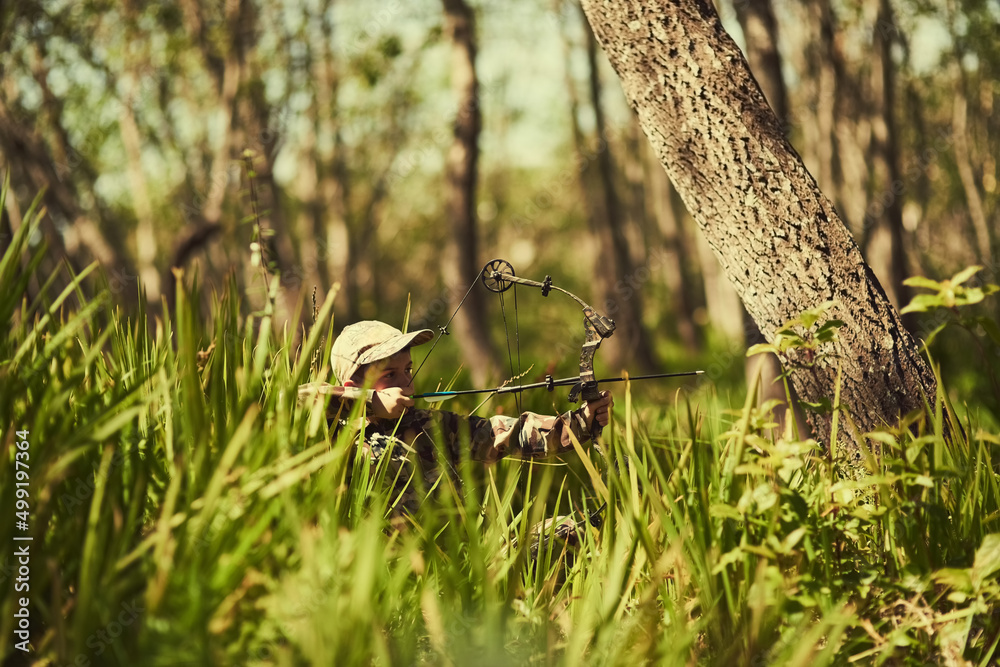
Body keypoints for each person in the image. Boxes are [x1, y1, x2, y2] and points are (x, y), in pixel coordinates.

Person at [301, 319, 613, 531]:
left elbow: (501, 434)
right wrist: (370, 401)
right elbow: (297, 399)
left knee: (568, 530)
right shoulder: (335, 435)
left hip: (459, 563)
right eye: (390, 374)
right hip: (383, 570)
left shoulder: (430, 425)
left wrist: (582, 421)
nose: (407, 381)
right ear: (351, 383)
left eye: (407, 369)